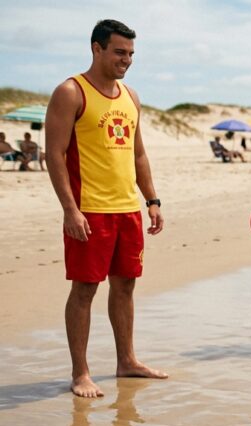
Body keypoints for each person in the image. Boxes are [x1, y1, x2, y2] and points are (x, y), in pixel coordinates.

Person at [44, 19, 168, 398]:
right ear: (96, 48)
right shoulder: (71, 91)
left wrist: (152, 200)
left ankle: (126, 360)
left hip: (127, 209)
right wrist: (70, 209)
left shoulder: (131, 96)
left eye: (130, 53)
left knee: (126, 285)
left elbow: (139, 153)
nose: (126, 60)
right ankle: (80, 373)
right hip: (89, 210)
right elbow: (54, 154)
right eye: (119, 52)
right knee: (85, 289)